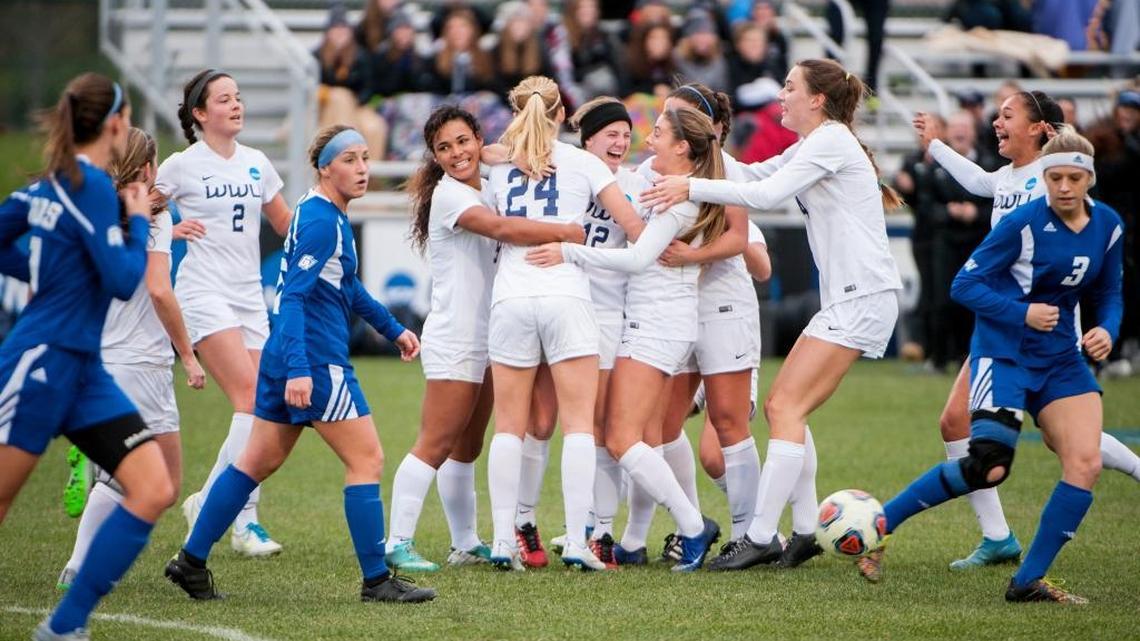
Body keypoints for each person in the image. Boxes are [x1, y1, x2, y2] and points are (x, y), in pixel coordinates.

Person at [641, 58, 904, 570]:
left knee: (785, 408)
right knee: (788, 408)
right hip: (852, 298)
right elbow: (753, 173)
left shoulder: (829, 140)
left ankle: (761, 535)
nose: (780, 97)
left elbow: (761, 194)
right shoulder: (815, 143)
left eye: (789, 87)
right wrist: (699, 146)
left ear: (817, 100)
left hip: (862, 297)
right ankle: (804, 529)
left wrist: (690, 185)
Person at [163, 126, 436, 604]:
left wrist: (394, 329)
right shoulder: (319, 220)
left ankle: (190, 560)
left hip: (286, 357)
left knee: (254, 462)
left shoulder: (322, 215)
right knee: (367, 459)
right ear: (324, 167)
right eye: (349, 159)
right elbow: (290, 299)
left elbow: (347, 286)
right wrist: (299, 369)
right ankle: (376, 580)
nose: (361, 168)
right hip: (313, 359)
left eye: (365, 158)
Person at [860, 128, 1123, 605]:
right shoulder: (1022, 223)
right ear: (1044, 178)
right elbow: (965, 285)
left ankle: (1026, 582)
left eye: (1074, 178)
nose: (1064, 187)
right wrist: (1022, 312)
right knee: (989, 466)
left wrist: (1107, 327)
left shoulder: (1108, 224)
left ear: (1090, 180)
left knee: (1084, 464)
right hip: (1003, 353)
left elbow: (1109, 291)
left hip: (1061, 359)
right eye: (1055, 177)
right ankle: (882, 524)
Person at [911, 90, 1140, 569]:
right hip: (1006, 323)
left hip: (1038, 330)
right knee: (959, 422)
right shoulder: (1011, 177)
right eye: (997, 114)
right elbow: (977, 180)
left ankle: (1000, 539)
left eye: (1008, 115)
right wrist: (935, 145)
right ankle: (997, 537)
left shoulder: (1053, 179)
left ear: (1040, 129)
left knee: (1064, 440)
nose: (996, 121)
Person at [0, 72, 174, 641]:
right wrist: (141, 214)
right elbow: (126, 280)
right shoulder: (95, 187)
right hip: (43, 363)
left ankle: (64, 627)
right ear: (116, 123)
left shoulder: (58, 183)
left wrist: (36, 269)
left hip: (84, 370)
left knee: (153, 488)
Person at [527, 105, 729, 572]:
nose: (639, 139)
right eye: (615, 133)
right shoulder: (647, 184)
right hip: (639, 320)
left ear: (682, 146)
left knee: (618, 438)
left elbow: (639, 259)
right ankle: (627, 536)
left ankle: (686, 526)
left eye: (650, 131)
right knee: (624, 437)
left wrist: (568, 253)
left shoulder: (667, 195)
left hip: (649, 322)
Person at [385, 105, 584, 571]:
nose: (456, 154)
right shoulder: (451, 195)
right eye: (444, 148)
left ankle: (465, 541)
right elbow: (500, 228)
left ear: (478, 138)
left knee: (468, 446)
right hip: (455, 337)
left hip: (492, 333)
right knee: (435, 442)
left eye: (463, 141)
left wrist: (507, 155)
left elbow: (510, 156)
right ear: (434, 157)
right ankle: (396, 540)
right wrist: (566, 232)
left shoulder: (493, 180)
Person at [484, 75, 643, 571]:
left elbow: (486, 161)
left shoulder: (497, 164)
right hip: (568, 294)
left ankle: (501, 542)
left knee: (510, 428)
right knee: (578, 427)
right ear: (561, 114)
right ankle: (578, 541)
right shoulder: (584, 162)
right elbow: (634, 228)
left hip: (510, 297)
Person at [56, 128, 207, 591]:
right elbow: (160, 290)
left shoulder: (96, 211)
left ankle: (80, 562)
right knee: (164, 484)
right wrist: (188, 355)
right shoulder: (153, 216)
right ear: (147, 169)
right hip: (142, 363)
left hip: (101, 357)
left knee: (138, 478)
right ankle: (85, 563)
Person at [158, 69, 293, 557]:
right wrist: (167, 231)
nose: (236, 105)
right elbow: (133, 208)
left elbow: (284, 222)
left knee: (263, 409)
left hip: (248, 295)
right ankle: (236, 517)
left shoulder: (256, 162)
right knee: (252, 399)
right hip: (202, 291)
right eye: (223, 99)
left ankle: (216, 506)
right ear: (199, 114)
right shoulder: (181, 165)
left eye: (239, 97)